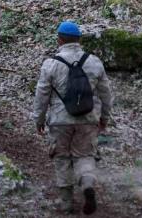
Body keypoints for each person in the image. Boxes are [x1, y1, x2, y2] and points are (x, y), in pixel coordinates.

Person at [33, 21, 112, 215]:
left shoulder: (51, 64)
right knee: (84, 155)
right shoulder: (94, 62)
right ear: (79, 40)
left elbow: (41, 95)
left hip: (60, 121)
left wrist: (39, 119)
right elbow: (106, 94)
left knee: (61, 157)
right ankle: (87, 185)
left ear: (59, 40)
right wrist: (104, 117)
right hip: (88, 119)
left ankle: (66, 203)